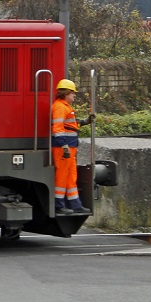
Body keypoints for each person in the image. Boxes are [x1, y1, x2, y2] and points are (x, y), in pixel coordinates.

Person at [51, 78, 94, 214]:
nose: (74, 95)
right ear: (66, 93)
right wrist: (64, 146)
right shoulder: (59, 107)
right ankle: (58, 205)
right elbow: (57, 128)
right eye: (73, 93)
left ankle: (75, 204)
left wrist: (85, 121)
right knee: (62, 177)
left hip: (70, 148)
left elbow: (70, 126)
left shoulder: (65, 106)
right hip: (63, 149)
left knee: (71, 177)